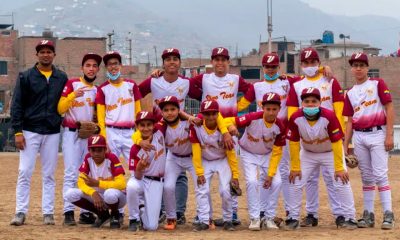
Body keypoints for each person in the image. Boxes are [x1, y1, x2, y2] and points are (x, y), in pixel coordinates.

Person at [137, 48, 201, 224]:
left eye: (175, 59)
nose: (172, 62)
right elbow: (135, 94)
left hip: (177, 130)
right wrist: (141, 118)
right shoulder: (154, 81)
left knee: (179, 175)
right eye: (168, 59)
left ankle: (178, 212)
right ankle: (160, 209)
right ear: (163, 63)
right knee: (158, 172)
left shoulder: (186, 83)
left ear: (180, 63)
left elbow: (205, 96)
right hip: (157, 132)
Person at [10, 40, 68, 226]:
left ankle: (48, 212)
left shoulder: (61, 77)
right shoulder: (26, 76)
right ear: (37, 55)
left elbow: (66, 103)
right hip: (29, 131)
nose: (45, 54)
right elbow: (17, 105)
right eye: (42, 51)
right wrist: (18, 131)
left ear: (54, 55)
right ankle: (20, 211)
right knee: (24, 172)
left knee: (49, 174)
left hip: (51, 131)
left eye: (49, 51)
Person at [286, 47, 345, 227]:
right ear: (301, 65)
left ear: (319, 63)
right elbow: (291, 114)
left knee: (332, 178)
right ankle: (311, 214)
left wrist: (340, 134)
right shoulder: (296, 84)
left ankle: (340, 215)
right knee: (309, 179)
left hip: (329, 136)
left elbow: (339, 108)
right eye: (306, 63)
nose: (310, 66)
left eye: (313, 63)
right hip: (308, 139)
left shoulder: (330, 80)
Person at [284, 87, 357, 230]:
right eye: (306, 101)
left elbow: (336, 143)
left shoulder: (329, 116)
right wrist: (295, 167)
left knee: (341, 181)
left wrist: (339, 167)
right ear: (302, 103)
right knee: (295, 180)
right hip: (308, 153)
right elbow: (293, 143)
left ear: (320, 102)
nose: (310, 104)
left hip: (329, 152)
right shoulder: (295, 117)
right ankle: (292, 217)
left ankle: (349, 217)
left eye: (314, 101)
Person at [343, 52, 395, 230]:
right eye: (355, 65)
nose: (358, 68)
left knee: (380, 175)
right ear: (352, 68)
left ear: (367, 68)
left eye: (361, 65)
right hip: (359, 135)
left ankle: (388, 214)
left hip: (377, 133)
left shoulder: (377, 83)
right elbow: (349, 120)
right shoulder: (349, 93)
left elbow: (389, 107)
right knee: (366, 177)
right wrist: (345, 145)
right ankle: (368, 214)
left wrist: (389, 135)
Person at [225, 92, 286, 231]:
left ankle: (269, 218)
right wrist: (230, 127)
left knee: (277, 182)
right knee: (252, 181)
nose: (271, 112)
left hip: (267, 154)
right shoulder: (253, 117)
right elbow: (226, 120)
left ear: (279, 109)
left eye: (274, 109)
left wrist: (270, 175)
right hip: (248, 152)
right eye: (268, 109)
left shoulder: (280, 126)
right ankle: (255, 218)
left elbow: (277, 152)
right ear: (262, 107)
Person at [95, 51, 142, 223]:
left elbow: (138, 112)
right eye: (109, 64)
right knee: (112, 172)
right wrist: (103, 137)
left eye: (115, 63)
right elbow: (100, 117)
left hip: (130, 132)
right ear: (106, 68)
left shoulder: (131, 85)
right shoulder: (103, 89)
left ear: (120, 65)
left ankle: (139, 210)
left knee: (136, 171)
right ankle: (116, 212)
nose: (113, 67)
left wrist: (139, 134)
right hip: (111, 131)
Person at [58, 53, 102, 226]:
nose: (91, 69)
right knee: (70, 172)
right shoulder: (72, 84)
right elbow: (60, 108)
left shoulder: (97, 90)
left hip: (88, 135)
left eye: (94, 66)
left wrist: (96, 127)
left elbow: (98, 116)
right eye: (88, 65)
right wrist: (72, 96)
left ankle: (85, 212)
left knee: (87, 173)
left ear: (98, 69)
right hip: (71, 132)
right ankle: (68, 211)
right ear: (82, 68)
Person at [189, 100, 240, 231]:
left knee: (225, 190)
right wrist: (199, 173)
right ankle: (205, 220)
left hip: (222, 160)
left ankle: (228, 220)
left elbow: (232, 155)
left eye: (213, 113)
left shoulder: (225, 129)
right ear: (202, 115)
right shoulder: (196, 127)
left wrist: (235, 174)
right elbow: (195, 152)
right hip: (206, 160)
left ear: (218, 114)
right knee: (202, 189)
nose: (211, 117)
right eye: (207, 114)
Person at [64, 134, 127, 229]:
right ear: (89, 150)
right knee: (70, 194)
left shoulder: (112, 158)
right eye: (93, 150)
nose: (96, 153)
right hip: (98, 196)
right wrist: (93, 193)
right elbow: (81, 182)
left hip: (117, 197)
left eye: (99, 150)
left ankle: (115, 214)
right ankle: (102, 214)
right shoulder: (88, 158)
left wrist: (98, 183)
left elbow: (121, 184)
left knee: (109, 194)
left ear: (105, 149)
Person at [127, 111, 166, 231]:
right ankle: (134, 219)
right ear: (137, 126)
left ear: (154, 125)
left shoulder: (159, 131)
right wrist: (139, 168)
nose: (145, 128)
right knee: (131, 186)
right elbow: (137, 176)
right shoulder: (135, 148)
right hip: (143, 180)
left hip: (156, 182)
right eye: (142, 125)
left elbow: (170, 115)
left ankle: (142, 207)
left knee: (151, 227)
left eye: (149, 124)